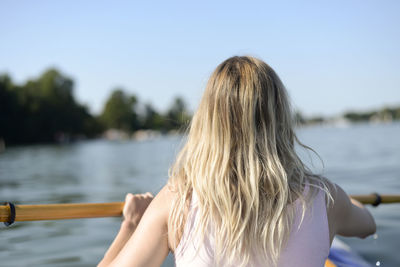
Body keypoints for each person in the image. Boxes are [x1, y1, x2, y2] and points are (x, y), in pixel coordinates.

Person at [98, 56, 376, 267]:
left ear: (208, 124)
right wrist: (346, 200)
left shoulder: (177, 202)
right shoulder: (324, 198)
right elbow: (367, 227)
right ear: (280, 119)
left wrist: (132, 226)